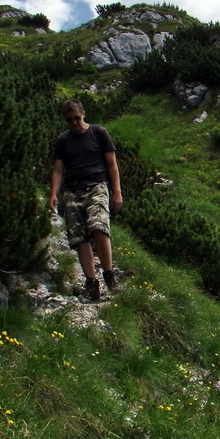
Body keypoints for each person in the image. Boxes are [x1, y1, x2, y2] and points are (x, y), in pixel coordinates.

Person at [50, 99, 123, 301]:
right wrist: (54, 194)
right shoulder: (63, 140)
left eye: (76, 118)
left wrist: (117, 192)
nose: (74, 123)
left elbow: (112, 164)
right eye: (69, 120)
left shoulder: (99, 133)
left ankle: (109, 274)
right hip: (72, 191)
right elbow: (58, 170)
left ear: (83, 113)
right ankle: (92, 283)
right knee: (79, 237)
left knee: (98, 226)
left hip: (97, 185)